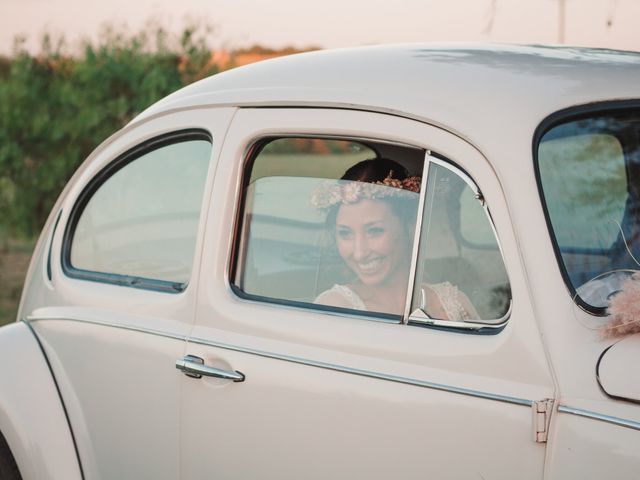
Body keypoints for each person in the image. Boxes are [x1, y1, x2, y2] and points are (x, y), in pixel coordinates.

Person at [312, 158, 478, 321]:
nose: (359, 253)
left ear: (410, 226)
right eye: (345, 233)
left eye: (374, 231)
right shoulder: (334, 308)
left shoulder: (454, 302)